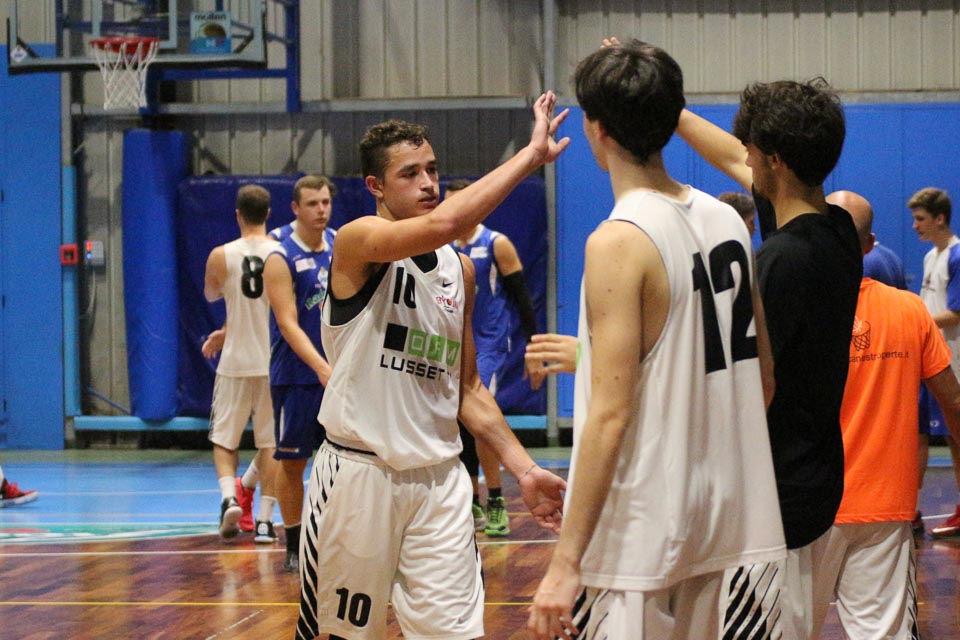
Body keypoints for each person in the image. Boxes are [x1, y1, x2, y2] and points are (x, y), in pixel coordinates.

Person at [528, 40, 783, 640]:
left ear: (596, 128)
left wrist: (565, 563)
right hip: (728, 519)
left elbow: (610, 414)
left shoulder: (618, 239)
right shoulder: (728, 220)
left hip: (643, 534)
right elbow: (764, 377)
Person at [295, 93, 569, 640]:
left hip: (441, 480)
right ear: (375, 186)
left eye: (433, 170)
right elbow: (447, 222)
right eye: (410, 173)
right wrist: (530, 156)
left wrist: (522, 468)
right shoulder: (358, 242)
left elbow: (465, 386)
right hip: (359, 475)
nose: (428, 183)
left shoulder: (459, 271)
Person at [676, 74, 861, 638]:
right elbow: (733, 157)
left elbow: (759, 385)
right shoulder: (839, 231)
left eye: (753, 149)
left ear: (775, 159)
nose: (746, 157)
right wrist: (670, 109)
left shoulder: (781, 262)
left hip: (774, 502)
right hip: (814, 481)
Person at [808, 189, 960, 638]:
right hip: (885, 507)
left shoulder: (791, 303)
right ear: (870, 244)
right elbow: (953, 401)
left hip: (809, 503)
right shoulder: (910, 310)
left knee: (789, 627)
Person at [447, 178, 544, 537]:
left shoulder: (496, 243)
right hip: (454, 344)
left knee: (479, 419)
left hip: (489, 344)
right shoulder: (441, 247)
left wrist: (533, 349)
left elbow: (523, 300)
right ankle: (472, 500)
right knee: (456, 423)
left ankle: (497, 498)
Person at [263, 174, 337, 572]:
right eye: (312, 204)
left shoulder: (340, 244)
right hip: (297, 375)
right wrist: (321, 366)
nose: (321, 210)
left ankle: (336, 539)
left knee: (347, 462)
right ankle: (293, 544)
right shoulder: (281, 255)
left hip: (339, 374)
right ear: (295, 208)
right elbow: (287, 323)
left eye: (325, 202)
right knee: (293, 461)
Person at [202, 184, 280, 542]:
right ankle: (264, 520)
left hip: (235, 360)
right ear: (269, 214)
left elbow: (215, 294)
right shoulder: (282, 253)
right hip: (272, 361)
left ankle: (229, 497)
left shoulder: (221, 255)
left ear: (237, 215)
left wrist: (224, 330)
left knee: (224, 439)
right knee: (270, 444)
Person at [909, 186, 960, 538]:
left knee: (957, 438)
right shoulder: (931, 257)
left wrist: (914, 322)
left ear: (940, 218)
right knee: (939, 436)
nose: (915, 225)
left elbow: (956, 312)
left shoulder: (957, 255)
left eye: (920, 218)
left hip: (954, 361)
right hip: (933, 358)